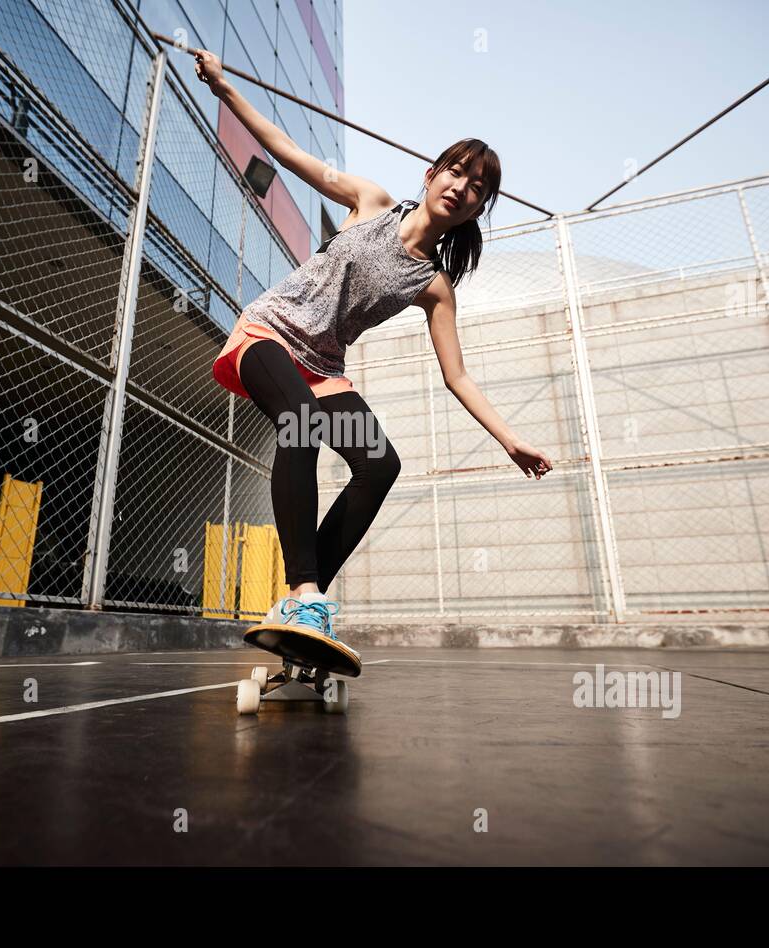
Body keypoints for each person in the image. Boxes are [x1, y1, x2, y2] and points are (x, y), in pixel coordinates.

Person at [192, 47, 553, 650]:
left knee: (380, 463)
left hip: (323, 368)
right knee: (301, 428)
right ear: (432, 174)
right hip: (268, 334)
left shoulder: (435, 286)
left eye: (477, 187)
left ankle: (302, 604)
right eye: (456, 172)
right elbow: (286, 150)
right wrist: (225, 88)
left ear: (479, 208)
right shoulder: (370, 202)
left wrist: (509, 439)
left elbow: (457, 377)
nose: (462, 188)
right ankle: (307, 594)